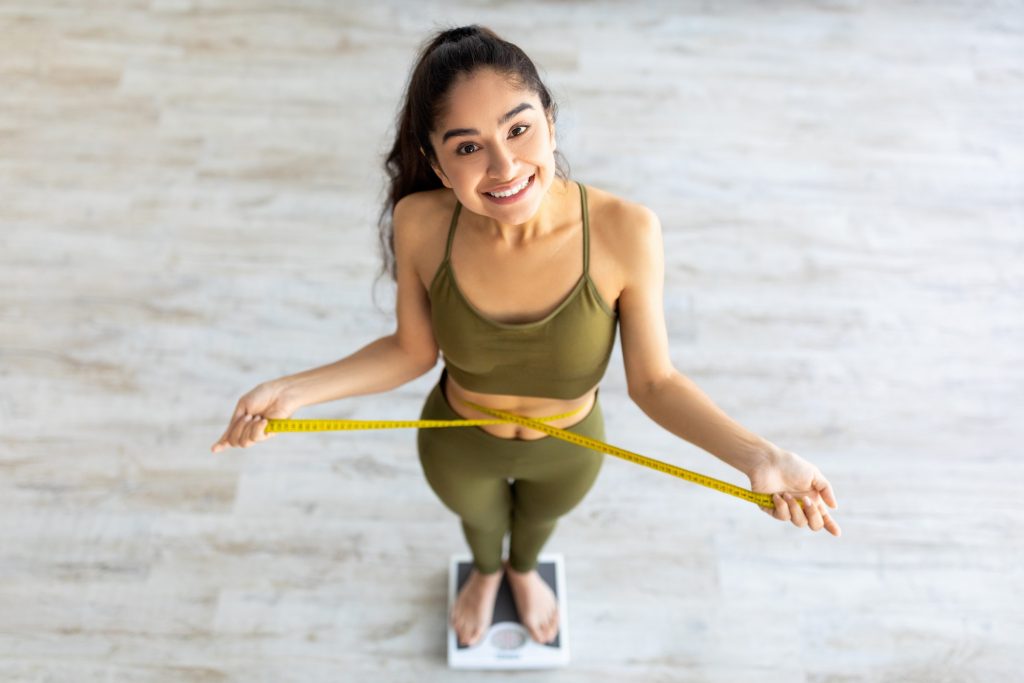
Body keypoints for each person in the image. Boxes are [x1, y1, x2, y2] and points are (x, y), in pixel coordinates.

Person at [210, 24, 841, 650]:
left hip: (568, 449)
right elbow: (411, 351)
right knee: (480, 528)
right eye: (467, 148)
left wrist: (760, 457)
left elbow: (654, 383)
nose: (504, 166)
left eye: (519, 129)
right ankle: (488, 573)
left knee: (537, 528)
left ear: (550, 122)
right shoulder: (421, 224)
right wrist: (291, 390)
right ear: (436, 162)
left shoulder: (626, 230)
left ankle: (521, 571)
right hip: (458, 444)